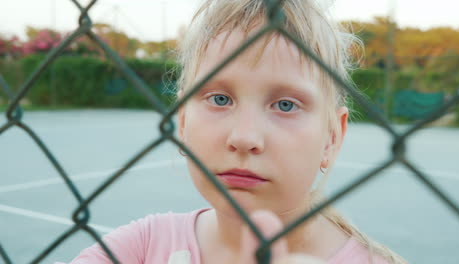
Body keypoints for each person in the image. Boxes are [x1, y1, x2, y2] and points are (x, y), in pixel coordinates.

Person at [58, 0, 407, 263]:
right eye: (220, 98)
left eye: (286, 105)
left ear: (332, 137)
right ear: (181, 122)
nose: (244, 138)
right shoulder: (143, 246)